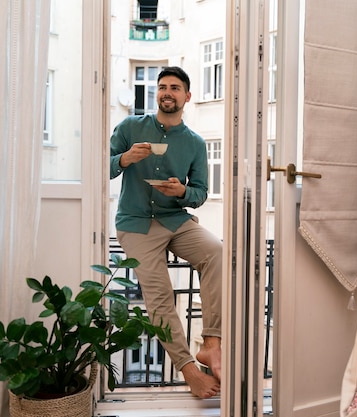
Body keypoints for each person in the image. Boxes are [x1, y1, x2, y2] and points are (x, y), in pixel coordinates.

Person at [110, 66, 222, 398]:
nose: (166, 92)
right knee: (160, 296)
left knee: (217, 252)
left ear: (187, 96)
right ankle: (189, 371)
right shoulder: (131, 127)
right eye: (162, 87)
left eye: (174, 87)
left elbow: (201, 193)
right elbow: (100, 164)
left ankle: (211, 343)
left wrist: (182, 193)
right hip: (136, 222)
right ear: (155, 94)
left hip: (176, 220)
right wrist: (125, 159)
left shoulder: (195, 143)